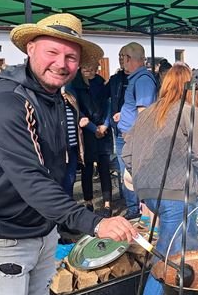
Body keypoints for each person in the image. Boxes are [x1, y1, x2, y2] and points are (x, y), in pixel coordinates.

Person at [0, 14, 137, 295]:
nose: (61, 64)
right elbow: (30, 179)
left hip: (41, 229)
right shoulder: (7, 101)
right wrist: (95, 222)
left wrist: (63, 221)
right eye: (53, 52)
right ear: (31, 48)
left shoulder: (57, 98)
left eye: (71, 57)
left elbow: (58, 169)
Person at [122, 62, 198, 295]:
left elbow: (127, 154)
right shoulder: (191, 112)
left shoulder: (147, 114)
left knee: (192, 243)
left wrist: (144, 181)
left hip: (149, 193)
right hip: (175, 196)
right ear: (191, 87)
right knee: (169, 253)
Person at [113, 42, 158, 221]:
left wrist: (135, 144)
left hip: (133, 140)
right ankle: (142, 217)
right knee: (130, 179)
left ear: (130, 58)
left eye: (123, 58)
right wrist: (122, 114)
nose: (122, 62)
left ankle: (146, 220)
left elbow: (144, 115)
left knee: (134, 180)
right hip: (128, 137)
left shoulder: (143, 80)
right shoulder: (137, 79)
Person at [67, 63, 113, 217]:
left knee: (104, 167)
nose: (89, 70)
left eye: (92, 67)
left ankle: (107, 204)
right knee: (87, 169)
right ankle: (89, 202)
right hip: (86, 132)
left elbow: (108, 105)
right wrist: (94, 129)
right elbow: (77, 111)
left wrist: (105, 125)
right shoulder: (74, 85)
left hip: (103, 130)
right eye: (86, 67)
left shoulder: (102, 83)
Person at [59, 86, 83, 202]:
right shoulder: (49, 103)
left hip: (72, 147)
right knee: (60, 181)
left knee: (70, 179)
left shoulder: (71, 98)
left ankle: (69, 210)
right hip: (58, 150)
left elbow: (79, 113)